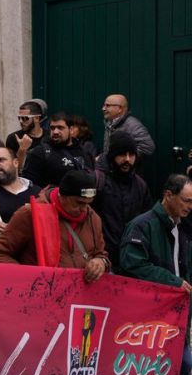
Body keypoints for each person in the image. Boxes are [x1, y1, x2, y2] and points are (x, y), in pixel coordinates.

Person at [0, 171, 106, 375]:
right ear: (63, 196)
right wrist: (35, 284)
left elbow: (101, 253)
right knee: (55, 373)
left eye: (88, 204)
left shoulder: (92, 217)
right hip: (40, 310)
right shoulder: (30, 214)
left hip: (76, 310)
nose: (83, 210)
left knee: (58, 371)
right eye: (78, 203)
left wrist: (100, 262)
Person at [117, 175, 192, 375]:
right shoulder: (141, 225)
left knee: (183, 364)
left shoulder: (182, 228)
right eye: (186, 201)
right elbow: (131, 264)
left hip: (178, 313)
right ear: (168, 195)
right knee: (161, 366)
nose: (190, 206)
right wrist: (174, 282)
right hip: (150, 314)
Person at [93, 131, 151, 265]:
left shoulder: (140, 186)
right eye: (122, 154)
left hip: (131, 256)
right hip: (102, 257)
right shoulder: (97, 181)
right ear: (112, 156)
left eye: (131, 155)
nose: (127, 159)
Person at [22, 112, 90, 188]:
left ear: (71, 130)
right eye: (52, 128)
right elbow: (27, 184)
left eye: (60, 128)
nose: (55, 132)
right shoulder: (40, 152)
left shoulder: (84, 152)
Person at [101, 94, 155, 159]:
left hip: (126, 168)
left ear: (120, 109)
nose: (103, 109)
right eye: (104, 105)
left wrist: (125, 158)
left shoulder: (133, 125)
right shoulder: (110, 123)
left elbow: (148, 147)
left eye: (108, 105)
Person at [7, 100, 47, 167]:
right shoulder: (14, 138)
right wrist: (22, 149)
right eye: (19, 118)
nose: (21, 121)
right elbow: (12, 168)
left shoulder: (49, 136)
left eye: (25, 118)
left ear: (37, 118)